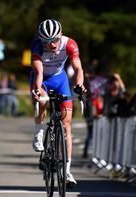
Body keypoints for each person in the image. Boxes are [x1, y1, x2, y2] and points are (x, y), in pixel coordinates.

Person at [30, 19, 86, 187]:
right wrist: (38, 90)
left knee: (67, 123)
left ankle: (67, 171)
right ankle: (39, 131)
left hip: (60, 80)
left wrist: (79, 84)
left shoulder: (70, 44)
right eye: (47, 42)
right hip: (42, 80)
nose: (52, 44)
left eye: (54, 40)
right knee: (43, 102)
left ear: (60, 35)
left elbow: (78, 69)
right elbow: (38, 71)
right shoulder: (37, 46)